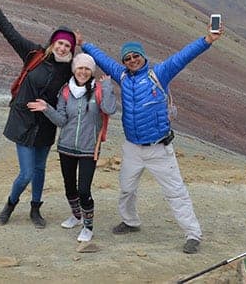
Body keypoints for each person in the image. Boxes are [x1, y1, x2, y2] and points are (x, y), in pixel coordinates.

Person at [78, 20, 223, 254]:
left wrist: (207, 40)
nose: (132, 60)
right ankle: (130, 221)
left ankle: (193, 234)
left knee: (175, 192)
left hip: (159, 148)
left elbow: (182, 57)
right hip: (133, 147)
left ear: (143, 57)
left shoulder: (159, 74)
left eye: (136, 56)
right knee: (126, 188)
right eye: (127, 58)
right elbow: (104, 60)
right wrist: (85, 45)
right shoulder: (122, 76)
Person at [0, 0, 75, 228]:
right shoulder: (34, 55)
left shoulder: (70, 71)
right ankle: (11, 204)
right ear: (53, 42)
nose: (63, 47)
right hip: (23, 121)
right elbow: (10, 33)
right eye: (60, 42)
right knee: (26, 173)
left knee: (40, 169)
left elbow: (85, 79)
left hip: (46, 124)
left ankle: (36, 210)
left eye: (68, 45)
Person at [27, 53, 116, 242]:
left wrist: (108, 86)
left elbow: (109, 109)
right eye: (79, 68)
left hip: (89, 148)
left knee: (84, 189)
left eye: (87, 69)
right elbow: (61, 120)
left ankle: (88, 226)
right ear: (74, 69)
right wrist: (46, 109)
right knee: (69, 187)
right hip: (66, 146)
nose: (83, 72)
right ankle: (76, 216)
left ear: (91, 71)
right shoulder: (66, 91)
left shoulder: (99, 90)